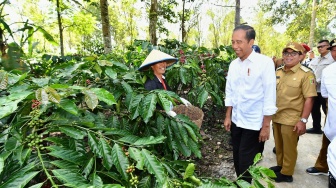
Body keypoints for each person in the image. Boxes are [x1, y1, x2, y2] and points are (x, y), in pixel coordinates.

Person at [224, 25, 277, 183]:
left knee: (247, 163)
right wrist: (228, 116)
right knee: (237, 159)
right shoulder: (234, 64)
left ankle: (244, 185)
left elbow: (269, 96)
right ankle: (242, 183)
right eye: (233, 42)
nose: (235, 46)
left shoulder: (264, 63)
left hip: (254, 123)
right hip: (237, 120)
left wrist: (266, 126)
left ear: (251, 42)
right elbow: (230, 92)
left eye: (239, 42)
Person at [270, 42, 317, 183]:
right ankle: (281, 165)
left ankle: (287, 173)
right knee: (279, 144)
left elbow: (310, 99)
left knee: (289, 147)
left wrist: (303, 121)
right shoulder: (278, 71)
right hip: (277, 115)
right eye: (286, 53)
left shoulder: (306, 74)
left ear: (300, 56)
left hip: (292, 118)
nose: (289, 56)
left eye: (293, 53)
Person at [306, 39, 336, 176]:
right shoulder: (329, 71)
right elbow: (325, 94)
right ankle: (322, 166)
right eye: (334, 50)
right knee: (328, 137)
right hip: (332, 112)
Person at [138, 49, 191, 117]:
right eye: (159, 62)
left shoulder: (163, 79)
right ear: (152, 66)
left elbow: (169, 95)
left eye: (164, 62)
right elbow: (149, 107)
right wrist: (166, 112)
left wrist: (179, 99)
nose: (163, 65)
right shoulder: (150, 84)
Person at [307, 40, 334, 134]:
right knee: (314, 109)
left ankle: (329, 129)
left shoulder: (332, 59)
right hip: (314, 90)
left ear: (328, 47)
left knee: (327, 110)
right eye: (318, 47)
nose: (320, 48)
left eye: (323, 46)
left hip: (326, 90)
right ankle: (316, 127)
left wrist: (317, 81)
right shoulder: (315, 60)